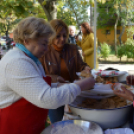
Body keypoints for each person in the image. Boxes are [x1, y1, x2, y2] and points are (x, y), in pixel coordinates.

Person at [0, 17, 95, 134]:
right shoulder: (17, 62)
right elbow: (47, 99)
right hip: (14, 128)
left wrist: (57, 85)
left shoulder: (30, 59)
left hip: (30, 126)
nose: (46, 49)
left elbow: (35, 86)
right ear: (27, 41)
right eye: (44, 44)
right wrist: (81, 85)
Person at [40, 19, 92, 124]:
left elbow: (81, 66)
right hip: (54, 96)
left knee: (77, 124)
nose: (62, 39)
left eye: (64, 35)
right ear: (50, 35)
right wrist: (55, 78)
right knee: (57, 124)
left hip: (74, 94)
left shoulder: (72, 49)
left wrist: (86, 68)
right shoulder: (44, 52)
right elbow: (40, 75)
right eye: (58, 36)